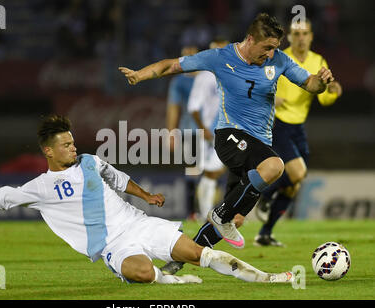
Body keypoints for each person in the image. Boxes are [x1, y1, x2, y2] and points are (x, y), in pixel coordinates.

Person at [0, 115, 293, 284]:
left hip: (138, 224)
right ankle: (168, 280)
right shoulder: (39, 187)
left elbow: (119, 179)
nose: (74, 147)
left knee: (201, 254)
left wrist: (147, 195)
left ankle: (268, 279)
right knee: (141, 274)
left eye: (73, 142)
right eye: (66, 144)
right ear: (48, 151)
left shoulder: (90, 161)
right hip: (111, 245)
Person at [119, 13, 334, 253]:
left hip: (258, 144)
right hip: (230, 135)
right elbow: (172, 65)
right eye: (267, 48)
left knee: (237, 216)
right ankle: (221, 215)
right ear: (251, 39)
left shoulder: (279, 61)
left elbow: (311, 84)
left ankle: (184, 256)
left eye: (275, 48)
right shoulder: (220, 57)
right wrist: (140, 75)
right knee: (275, 165)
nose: (270, 54)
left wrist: (322, 81)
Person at [253, 19, 343, 247]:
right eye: (296, 33)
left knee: (294, 185)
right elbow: (255, 86)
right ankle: (263, 193)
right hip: (278, 124)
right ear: (289, 37)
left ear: (311, 36)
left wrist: (333, 90)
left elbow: (323, 98)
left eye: (305, 33)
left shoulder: (317, 61)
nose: (301, 37)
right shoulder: (278, 58)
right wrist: (271, 98)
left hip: (298, 127)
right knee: (299, 173)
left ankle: (265, 233)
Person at [185, 38, 229, 223]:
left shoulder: (232, 73)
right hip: (209, 133)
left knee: (217, 171)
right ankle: (205, 214)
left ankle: (213, 213)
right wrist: (203, 129)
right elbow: (193, 106)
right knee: (206, 172)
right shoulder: (204, 76)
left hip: (228, 130)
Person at [165, 45, 199, 219]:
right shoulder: (179, 82)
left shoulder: (208, 77)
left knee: (210, 173)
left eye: (192, 55)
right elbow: (173, 108)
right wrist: (171, 133)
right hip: (190, 132)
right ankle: (193, 212)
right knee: (193, 172)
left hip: (214, 132)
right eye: (186, 56)